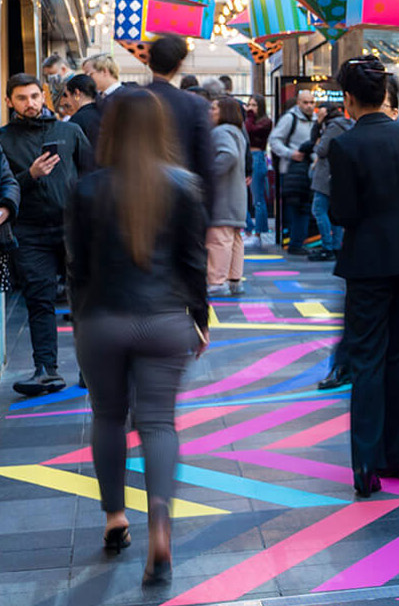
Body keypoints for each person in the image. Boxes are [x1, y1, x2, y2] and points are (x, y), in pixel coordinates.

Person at [66, 88, 209, 587]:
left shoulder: (87, 189)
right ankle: (161, 532)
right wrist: (201, 320)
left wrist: (80, 318)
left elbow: (77, 267)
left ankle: (114, 518)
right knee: (158, 425)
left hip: (102, 320)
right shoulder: (184, 184)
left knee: (107, 416)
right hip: (166, 319)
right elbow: (194, 264)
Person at [324, 56, 399, 497]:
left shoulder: (346, 144)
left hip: (368, 263)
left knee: (368, 360)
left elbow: (343, 212)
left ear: (350, 99)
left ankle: (367, 463)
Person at [1, 74, 94, 396]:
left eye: (34, 96)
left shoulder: (69, 131)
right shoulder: (4, 139)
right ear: (9, 102)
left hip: (72, 227)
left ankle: (91, 368)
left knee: (82, 299)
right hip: (29, 232)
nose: (30, 104)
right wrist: (30, 175)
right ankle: (46, 370)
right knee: (38, 301)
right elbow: (4, 186)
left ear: (44, 96)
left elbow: (92, 175)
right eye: (22, 98)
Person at [141, 38, 216, 220]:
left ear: (149, 60)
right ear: (179, 64)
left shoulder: (130, 100)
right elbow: (206, 163)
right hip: (181, 206)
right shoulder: (195, 105)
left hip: (136, 202)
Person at [206, 98, 250, 296]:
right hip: (236, 195)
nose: (210, 111)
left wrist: (208, 173)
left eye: (214, 108)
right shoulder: (237, 132)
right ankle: (234, 279)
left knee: (218, 239)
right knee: (234, 238)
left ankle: (217, 281)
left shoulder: (220, 132)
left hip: (223, 196)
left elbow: (228, 155)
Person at [269, 89, 319, 256]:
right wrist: (291, 154)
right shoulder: (290, 118)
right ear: (298, 103)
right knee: (296, 209)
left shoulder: (315, 120)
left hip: (307, 171)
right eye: (305, 102)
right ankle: (294, 242)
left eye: (312, 102)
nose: (309, 106)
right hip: (290, 171)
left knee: (304, 209)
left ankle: (297, 242)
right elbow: (274, 140)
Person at [307, 106, 352, 265]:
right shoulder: (346, 124)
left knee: (318, 209)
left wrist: (318, 124)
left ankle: (328, 247)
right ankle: (335, 246)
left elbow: (321, 150)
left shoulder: (333, 127)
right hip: (337, 174)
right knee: (333, 213)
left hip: (326, 175)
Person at [243, 96, 273, 248]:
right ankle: (248, 229)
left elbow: (250, 131)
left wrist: (249, 116)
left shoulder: (265, 122)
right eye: (249, 105)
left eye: (254, 105)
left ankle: (258, 233)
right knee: (243, 196)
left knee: (258, 198)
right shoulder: (250, 120)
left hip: (258, 157)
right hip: (247, 157)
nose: (250, 108)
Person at [63, 74, 103, 150]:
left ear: (77, 93)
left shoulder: (77, 120)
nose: (67, 101)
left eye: (67, 95)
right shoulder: (106, 112)